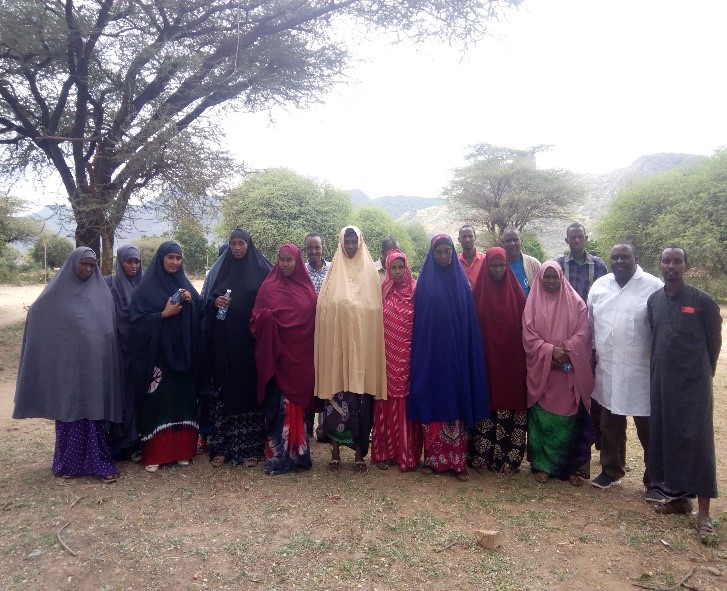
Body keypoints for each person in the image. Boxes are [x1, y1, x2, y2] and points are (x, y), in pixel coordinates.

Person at [14, 247, 123, 482]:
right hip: (69, 369)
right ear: (73, 264)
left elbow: (108, 331)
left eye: (92, 265)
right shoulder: (55, 294)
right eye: (83, 264)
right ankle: (69, 464)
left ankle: (99, 464)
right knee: (70, 408)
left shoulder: (102, 295)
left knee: (94, 411)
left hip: (95, 367)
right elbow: (38, 314)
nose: (87, 269)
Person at [647, 246, 722, 544]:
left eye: (677, 261)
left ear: (686, 266)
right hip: (662, 382)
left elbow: (713, 344)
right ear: (660, 264)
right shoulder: (654, 300)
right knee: (667, 438)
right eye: (666, 260)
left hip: (693, 384)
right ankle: (679, 500)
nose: (671, 266)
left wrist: (704, 374)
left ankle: (704, 515)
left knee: (698, 442)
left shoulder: (702, 302)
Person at [408, 234, 489, 482]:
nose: (443, 256)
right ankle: (434, 460)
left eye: (447, 252)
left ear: (453, 254)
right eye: (439, 252)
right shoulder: (424, 283)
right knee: (434, 400)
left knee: (455, 400)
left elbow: (468, 323)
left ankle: (457, 461)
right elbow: (419, 323)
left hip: (455, 356)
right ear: (432, 255)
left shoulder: (461, 283)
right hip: (432, 355)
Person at [587, 243, 662, 490]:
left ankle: (654, 477)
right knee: (609, 424)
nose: (619, 261)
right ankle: (611, 469)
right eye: (615, 257)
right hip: (608, 368)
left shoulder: (653, 286)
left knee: (648, 428)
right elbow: (590, 323)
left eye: (624, 257)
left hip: (641, 371)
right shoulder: (600, 286)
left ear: (636, 258)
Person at [314, 226, 387, 474]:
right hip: (339, 352)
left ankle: (359, 454)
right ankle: (334, 452)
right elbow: (324, 309)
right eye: (347, 241)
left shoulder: (371, 275)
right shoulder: (333, 275)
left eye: (355, 240)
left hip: (363, 354)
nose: (351, 245)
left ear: (361, 241)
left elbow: (376, 312)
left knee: (361, 404)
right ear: (341, 242)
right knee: (337, 400)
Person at [129, 240, 203, 472]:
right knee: (158, 403)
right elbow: (136, 323)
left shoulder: (184, 285)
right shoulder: (145, 289)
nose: (174, 262)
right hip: (158, 360)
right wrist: (162, 314)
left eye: (178, 258)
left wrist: (191, 304)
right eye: (170, 257)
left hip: (182, 358)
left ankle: (182, 451)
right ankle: (155, 454)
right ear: (161, 259)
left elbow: (201, 314)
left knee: (181, 402)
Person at [201, 229, 272, 467]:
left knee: (248, 391)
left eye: (242, 243)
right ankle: (221, 447)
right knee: (224, 390)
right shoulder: (221, 271)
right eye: (233, 243)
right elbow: (207, 303)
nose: (238, 247)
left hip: (250, 343)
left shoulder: (262, 272)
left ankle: (250, 448)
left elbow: (270, 303)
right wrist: (215, 302)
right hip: (225, 345)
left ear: (249, 245)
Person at [522, 262, 594, 486]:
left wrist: (567, 349)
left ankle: (572, 468)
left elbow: (584, 332)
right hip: (544, 374)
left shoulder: (577, 303)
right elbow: (528, 335)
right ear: (540, 278)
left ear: (561, 277)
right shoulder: (532, 304)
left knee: (571, 420)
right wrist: (550, 351)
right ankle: (542, 466)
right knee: (542, 421)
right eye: (547, 277)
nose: (551, 281)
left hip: (569, 373)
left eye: (555, 277)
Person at [251, 243, 319, 475]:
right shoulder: (268, 288)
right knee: (278, 408)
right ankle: (279, 455)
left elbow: (314, 322)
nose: (286, 264)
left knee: (299, 407)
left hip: (301, 358)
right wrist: (266, 320)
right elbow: (254, 321)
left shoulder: (307, 288)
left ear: (297, 261)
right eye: (282, 259)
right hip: (278, 360)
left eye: (290, 259)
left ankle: (300, 454)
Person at [471, 247, 527, 474]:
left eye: (501, 265)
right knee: (486, 403)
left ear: (507, 266)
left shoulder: (517, 295)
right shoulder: (478, 293)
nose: (497, 269)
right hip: (485, 361)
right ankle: (482, 456)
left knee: (509, 406)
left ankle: (509, 458)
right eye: (492, 265)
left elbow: (528, 327)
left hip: (511, 364)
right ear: (486, 267)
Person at [554, 223, 608, 450]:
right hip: (563, 335)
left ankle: (597, 443)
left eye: (579, 236)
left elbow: (606, 296)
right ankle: (565, 439)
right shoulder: (558, 265)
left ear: (585, 238)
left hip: (591, 336)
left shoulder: (598, 265)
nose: (576, 240)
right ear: (566, 241)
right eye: (571, 237)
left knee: (592, 390)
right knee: (565, 386)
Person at [370, 249, 423, 472]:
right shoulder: (383, 291)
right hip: (386, 359)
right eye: (394, 267)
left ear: (407, 267)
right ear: (387, 269)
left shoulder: (416, 291)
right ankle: (385, 452)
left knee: (405, 403)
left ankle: (406, 452)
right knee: (386, 402)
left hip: (409, 358)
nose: (398, 271)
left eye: (402, 267)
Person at [104, 244, 143, 460]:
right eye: (129, 261)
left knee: (137, 395)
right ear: (120, 262)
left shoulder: (145, 285)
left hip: (140, 350)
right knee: (120, 395)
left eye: (137, 261)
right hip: (118, 351)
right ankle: (119, 443)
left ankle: (136, 441)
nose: (134, 266)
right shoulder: (109, 285)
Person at [500, 226, 540, 297]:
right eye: (508, 241)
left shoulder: (533, 264)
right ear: (502, 243)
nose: (512, 243)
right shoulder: (498, 265)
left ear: (522, 241)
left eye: (515, 240)